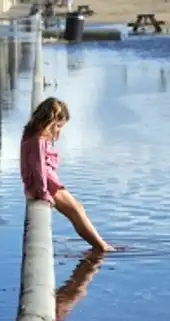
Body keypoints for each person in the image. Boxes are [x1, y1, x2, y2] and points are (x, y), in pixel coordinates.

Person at [20, 97, 115, 253]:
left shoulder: (32, 134)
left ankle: (100, 245)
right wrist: (44, 194)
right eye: (58, 126)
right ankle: (101, 247)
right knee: (76, 212)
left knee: (77, 209)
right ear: (49, 122)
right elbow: (38, 169)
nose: (59, 131)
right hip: (46, 186)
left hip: (45, 183)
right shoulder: (38, 139)